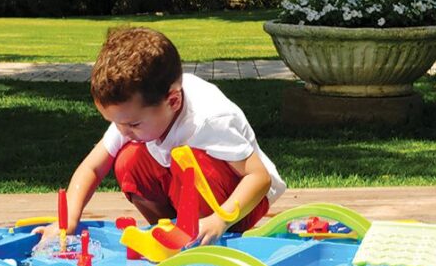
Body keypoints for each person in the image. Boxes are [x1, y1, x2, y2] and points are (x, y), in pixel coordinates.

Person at [35, 26, 285, 248]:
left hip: (241, 205)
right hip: (187, 194)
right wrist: (68, 220)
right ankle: (172, 232)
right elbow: (92, 167)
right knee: (128, 161)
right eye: (116, 123)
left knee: (188, 161)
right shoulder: (133, 116)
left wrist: (219, 220)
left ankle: (202, 236)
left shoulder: (208, 119)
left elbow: (259, 178)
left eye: (132, 124)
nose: (123, 131)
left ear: (173, 101)